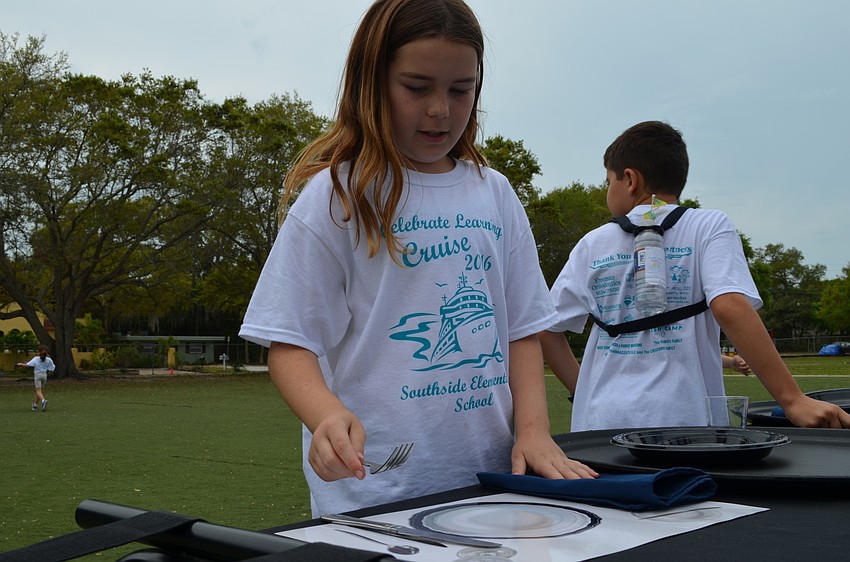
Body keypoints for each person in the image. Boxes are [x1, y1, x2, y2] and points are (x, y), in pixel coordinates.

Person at [239, 0, 596, 516]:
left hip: (492, 484)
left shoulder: (494, 193)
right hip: (374, 494)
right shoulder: (337, 197)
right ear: (373, 83)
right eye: (416, 87)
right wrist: (325, 416)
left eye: (460, 89)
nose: (440, 109)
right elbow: (290, 342)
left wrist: (535, 432)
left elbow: (522, 328)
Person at [541, 120, 850, 432]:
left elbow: (548, 329)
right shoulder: (709, 225)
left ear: (630, 179)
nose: (608, 189)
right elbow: (728, 305)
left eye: (608, 181)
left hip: (600, 424)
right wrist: (793, 400)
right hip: (686, 423)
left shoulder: (592, 243)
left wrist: (584, 392)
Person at [18, 345, 54, 411]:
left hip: (38, 375)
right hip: (44, 375)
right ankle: (35, 405)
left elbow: (27, 365)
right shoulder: (49, 360)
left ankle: (43, 401)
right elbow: (52, 368)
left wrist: (20, 364)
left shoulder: (36, 359)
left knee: (38, 391)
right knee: (39, 392)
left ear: (39, 352)